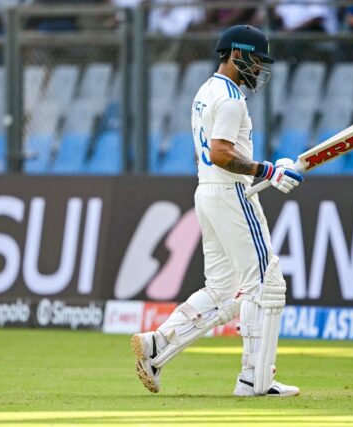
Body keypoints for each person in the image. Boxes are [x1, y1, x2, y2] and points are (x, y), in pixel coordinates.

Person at [131, 24, 303, 397]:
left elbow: (216, 154)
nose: (258, 69)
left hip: (207, 192)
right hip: (230, 193)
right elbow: (222, 154)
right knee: (267, 285)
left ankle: (158, 345)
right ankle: (255, 381)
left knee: (223, 290)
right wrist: (267, 170)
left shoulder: (207, 90)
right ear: (237, 54)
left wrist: (262, 166)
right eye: (255, 60)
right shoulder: (230, 99)